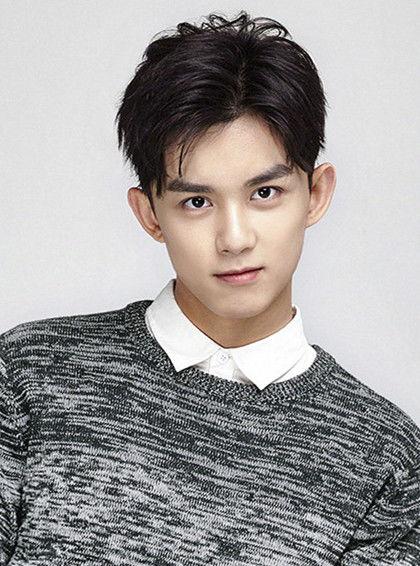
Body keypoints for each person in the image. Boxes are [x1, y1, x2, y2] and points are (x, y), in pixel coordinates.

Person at [1, 10, 418, 565]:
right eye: (196, 202)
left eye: (265, 193)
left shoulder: (386, 461)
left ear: (316, 194)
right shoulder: (28, 374)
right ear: (149, 214)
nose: (235, 239)